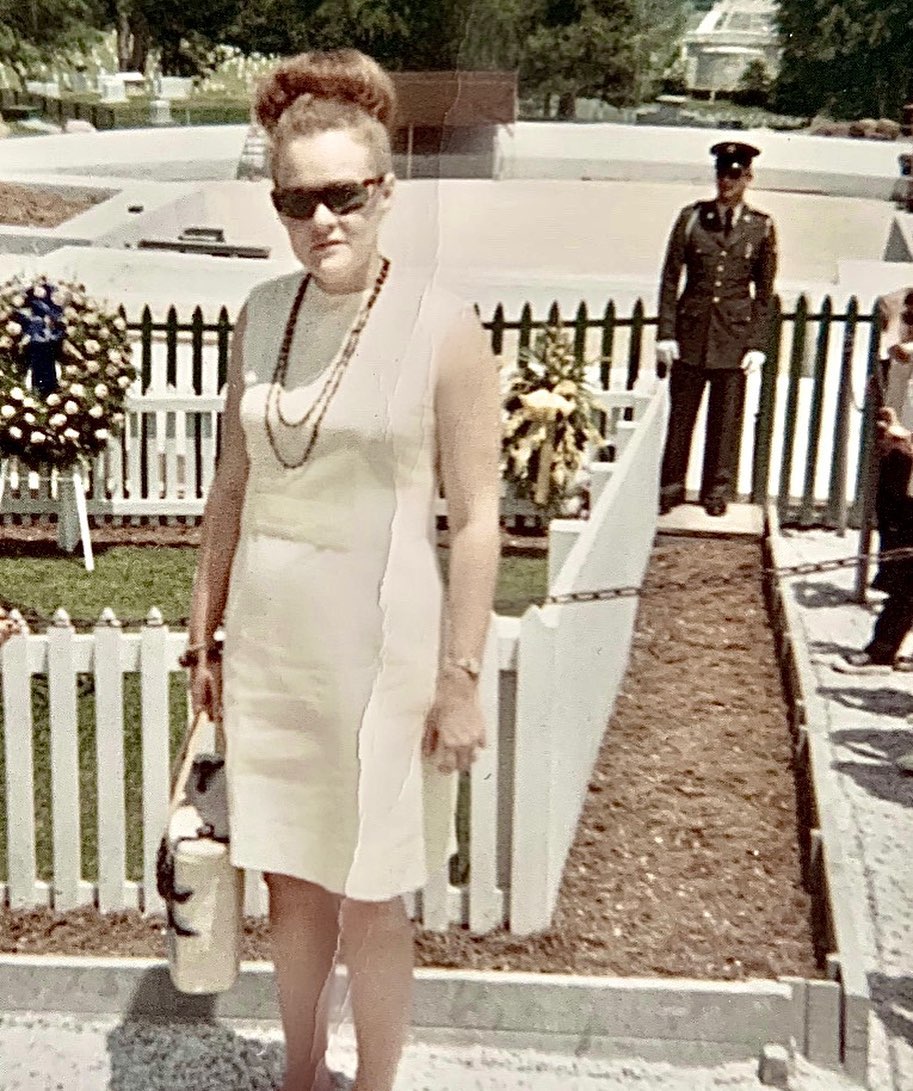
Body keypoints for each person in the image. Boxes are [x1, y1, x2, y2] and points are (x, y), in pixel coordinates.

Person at [184, 50, 501, 1091]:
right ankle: (302, 1072)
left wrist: (460, 675)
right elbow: (231, 485)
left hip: (381, 656)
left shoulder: (443, 326)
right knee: (290, 883)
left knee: (369, 891)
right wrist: (202, 633)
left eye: (343, 196)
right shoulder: (259, 313)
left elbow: (477, 520)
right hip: (271, 647)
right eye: (296, 200)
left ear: (384, 190)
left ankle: (373, 1084)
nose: (322, 219)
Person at [656, 141, 778, 517]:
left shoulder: (760, 226)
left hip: (732, 336)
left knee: (725, 421)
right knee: (681, 416)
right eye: (722, 174)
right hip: (692, 333)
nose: (727, 182)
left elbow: (764, 293)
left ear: (748, 178)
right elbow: (670, 278)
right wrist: (666, 333)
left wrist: (756, 343)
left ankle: (717, 490)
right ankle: (671, 486)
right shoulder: (692, 218)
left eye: (735, 175)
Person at [837, 289, 913, 683]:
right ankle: (884, 647)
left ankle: (882, 648)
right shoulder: (901, 320)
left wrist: (907, 439)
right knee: (904, 564)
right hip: (902, 466)